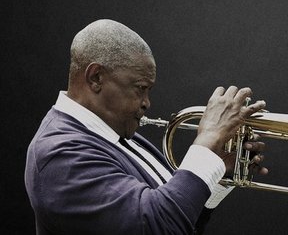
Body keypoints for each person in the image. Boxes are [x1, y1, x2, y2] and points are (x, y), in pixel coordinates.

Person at [24, 19, 268, 235]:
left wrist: (217, 171)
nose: (146, 103)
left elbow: (182, 221)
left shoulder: (118, 135)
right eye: (140, 88)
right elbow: (157, 226)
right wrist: (209, 140)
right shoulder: (59, 154)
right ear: (96, 77)